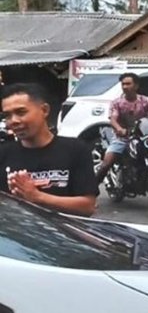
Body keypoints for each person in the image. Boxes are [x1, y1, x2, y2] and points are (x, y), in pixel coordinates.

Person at [0, 83, 97, 216]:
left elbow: (87, 206)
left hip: (63, 233)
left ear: (44, 110)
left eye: (21, 112)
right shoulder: (4, 154)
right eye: (7, 115)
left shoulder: (75, 150)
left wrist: (37, 197)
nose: (13, 121)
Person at [95, 73, 148, 185]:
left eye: (128, 84)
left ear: (136, 86)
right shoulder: (117, 103)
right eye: (123, 84)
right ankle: (91, 192)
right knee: (106, 164)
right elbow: (113, 119)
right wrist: (120, 129)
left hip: (142, 138)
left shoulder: (146, 101)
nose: (125, 87)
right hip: (122, 138)